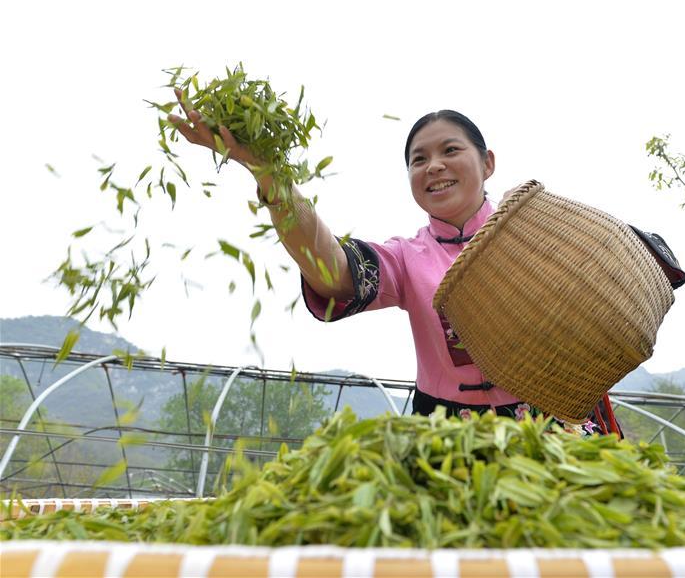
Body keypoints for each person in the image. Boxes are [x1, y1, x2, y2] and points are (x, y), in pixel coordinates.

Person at [168, 96, 624, 437]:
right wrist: (268, 172)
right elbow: (330, 270)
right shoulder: (408, 258)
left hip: (553, 427)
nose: (434, 166)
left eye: (450, 151)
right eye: (418, 159)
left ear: (487, 163)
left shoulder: (535, 229)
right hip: (445, 438)